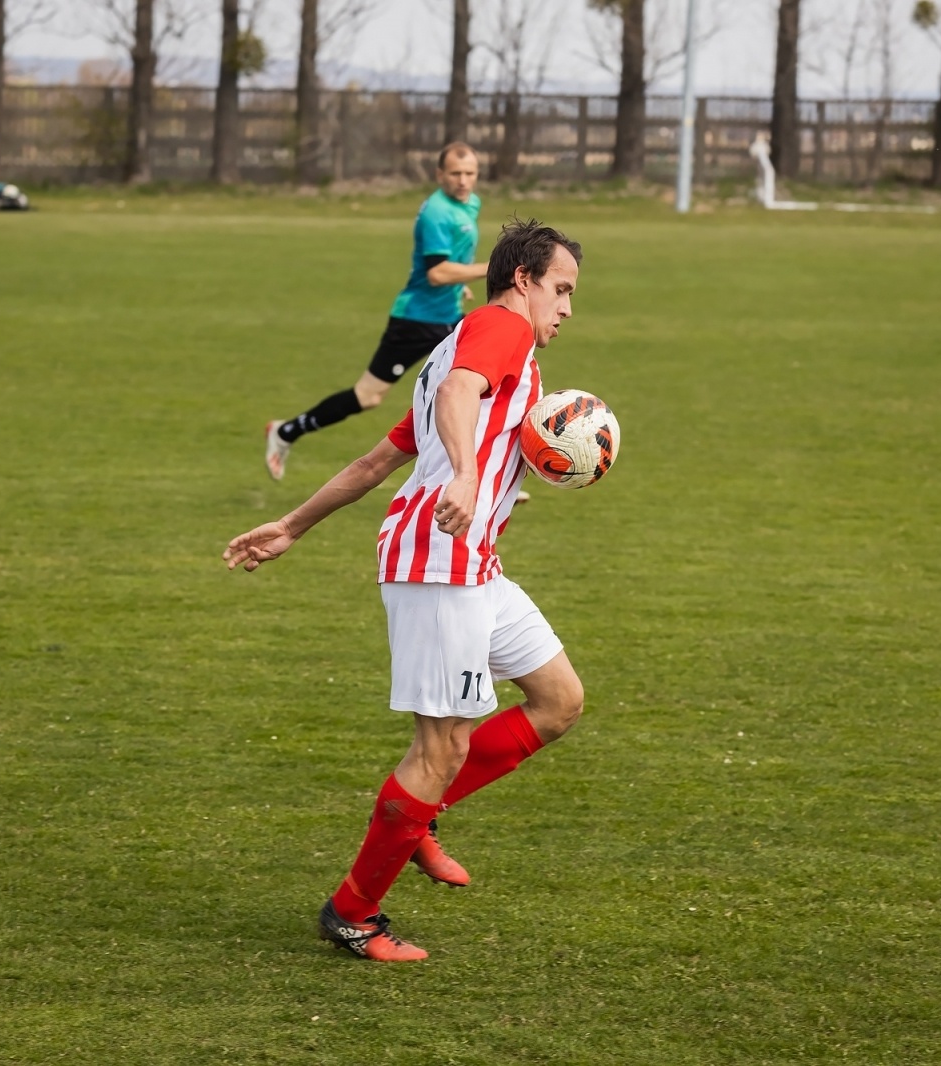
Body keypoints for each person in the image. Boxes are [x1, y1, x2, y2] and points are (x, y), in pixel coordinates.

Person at [225, 219, 587, 963]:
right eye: (561, 289)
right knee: (441, 745)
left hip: (473, 566)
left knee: (558, 700)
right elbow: (460, 393)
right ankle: (354, 911)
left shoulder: (462, 346)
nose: (567, 308)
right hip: (438, 565)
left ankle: (420, 815)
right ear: (522, 279)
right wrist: (462, 471)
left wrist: (292, 525)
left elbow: (371, 462)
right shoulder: (497, 333)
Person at [264, 142, 490, 482]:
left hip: (449, 318)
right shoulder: (437, 213)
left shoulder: (470, 203)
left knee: (478, 387)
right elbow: (436, 272)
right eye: (455, 174)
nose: (463, 180)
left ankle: (480, 476)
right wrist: (489, 268)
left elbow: (450, 266)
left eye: (469, 173)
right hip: (416, 320)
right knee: (368, 396)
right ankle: (286, 432)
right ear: (439, 174)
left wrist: (461, 285)